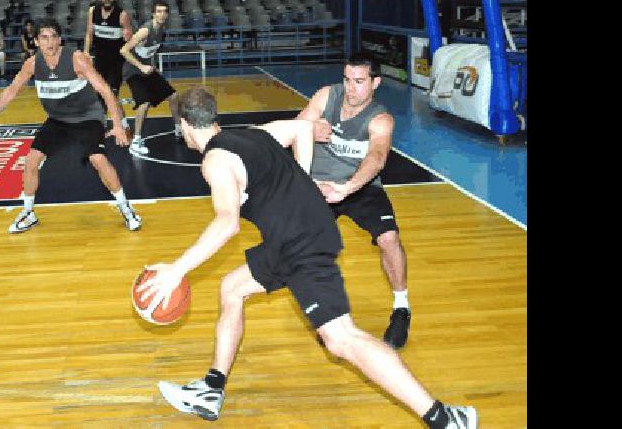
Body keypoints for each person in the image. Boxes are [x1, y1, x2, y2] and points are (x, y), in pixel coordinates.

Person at [139, 87, 477, 428]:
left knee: (342, 339)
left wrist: (176, 271)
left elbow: (227, 223)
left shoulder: (215, 161)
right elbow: (302, 129)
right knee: (232, 289)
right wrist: (301, 179)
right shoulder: (254, 135)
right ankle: (212, 388)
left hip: (301, 243)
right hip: (294, 236)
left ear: (183, 124)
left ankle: (444, 418)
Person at [0, 18, 143, 234]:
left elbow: (105, 90)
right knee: (31, 161)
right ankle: (28, 213)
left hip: (87, 117)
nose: (50, 43)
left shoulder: (77, 59)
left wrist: (117, 125)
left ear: (60, 39)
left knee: (97, 158)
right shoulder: (32, 64)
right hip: (58, 120)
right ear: (36, 42)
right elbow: (10, 92)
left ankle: (126, 208)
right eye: (44, 38)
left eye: (54, 37)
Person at [296, 52, 412, 349]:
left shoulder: (381, 118)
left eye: (359, 82)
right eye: (347, 80)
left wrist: (346, 189)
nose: (351, 88)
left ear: (375, 83)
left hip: (360, 186)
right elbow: (295, 129)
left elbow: (377, 158)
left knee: (389, 238)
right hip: (320, 184)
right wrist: (308, 130)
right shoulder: (326, 96)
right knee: (312, 248)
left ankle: (401, 307)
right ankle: (329, 317)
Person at [118, 0, 180, 155]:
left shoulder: (161, 29)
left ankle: (179, 128)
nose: (162, 14)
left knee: (173, 96)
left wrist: (152, 67)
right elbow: (124, 50)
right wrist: (141, 66)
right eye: (159, 11)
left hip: (147, 69)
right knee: (144, 103)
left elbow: (148, 52)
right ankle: (136, 141)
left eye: (164, 11)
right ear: (153, 14)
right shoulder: (145, 30)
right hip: (133, 72)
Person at [83, 0, 132, 129]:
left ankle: (125, 126)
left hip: (116, 62)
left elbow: (130, 40)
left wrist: (128, 37)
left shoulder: (122, 15)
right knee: (99, 95)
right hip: (99, 60)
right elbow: (89, 33)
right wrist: (86, 52)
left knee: (111, 95)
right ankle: (101, 124)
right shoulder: (93, 11)